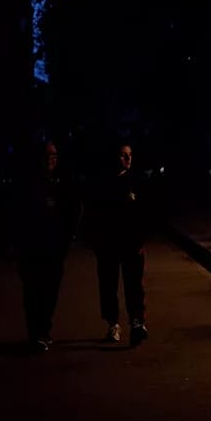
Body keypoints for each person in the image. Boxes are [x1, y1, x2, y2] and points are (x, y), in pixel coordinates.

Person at [15, 141, 79, 351]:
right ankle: (37, 333)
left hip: (55, 249)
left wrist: (67, 238)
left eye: (54, 155)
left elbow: (72, 210)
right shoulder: (30, 184)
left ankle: (43, 330)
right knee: (34, 292)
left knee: (51, 291)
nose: (51, 159)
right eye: (47, 155)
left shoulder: (61, 183)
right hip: (33, 249)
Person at [87, 144, 151, 347]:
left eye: (130, 155)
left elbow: (145, 212)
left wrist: (141, 239)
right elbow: (94, 214)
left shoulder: (137, 181)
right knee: (109, 285)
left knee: (134, 285)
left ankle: (137, 322)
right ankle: (113, 322)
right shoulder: (103, 183)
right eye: (123, 155)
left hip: (132, 243)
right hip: (109, 244)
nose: (127, 159)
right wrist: (96, 241)